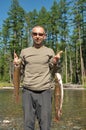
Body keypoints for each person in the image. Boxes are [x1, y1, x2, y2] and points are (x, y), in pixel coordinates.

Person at [13, 25, 63, 130]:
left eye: (40, 34)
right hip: (27, 92)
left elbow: (54, 72)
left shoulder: (49, 51)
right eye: (35, 34)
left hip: (45, 92)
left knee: (45, 125)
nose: (37, 36)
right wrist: (16, 65)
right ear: (32, 35)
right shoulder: (24, 52)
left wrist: (55, 63)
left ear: (44, 36)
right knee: (28, 125)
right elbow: (20, 72)